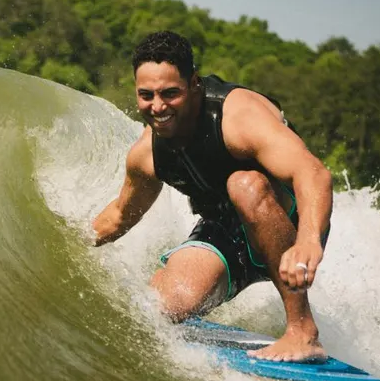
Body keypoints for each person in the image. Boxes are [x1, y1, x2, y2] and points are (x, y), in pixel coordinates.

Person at [92, 31, 333, 362]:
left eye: (170, 93)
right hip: (227, 233)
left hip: (286, 221)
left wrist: (308, 241)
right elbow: (120, 214)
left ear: (193, 83)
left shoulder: (237, 117)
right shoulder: (147, 154)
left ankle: (303, 332)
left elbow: (313, 173)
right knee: (163, 306)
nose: (158, 106)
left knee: (244, 185)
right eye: (146, 95)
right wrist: (72, 243)